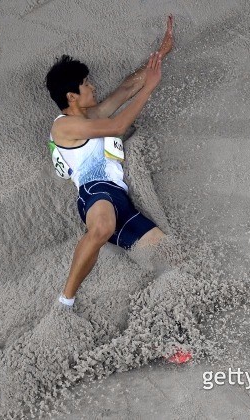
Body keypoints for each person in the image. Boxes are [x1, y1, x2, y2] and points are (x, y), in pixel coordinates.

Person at [45, 15, 174, 309]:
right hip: (96, 194)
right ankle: (65, 302)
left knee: (173, 259)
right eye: (86, 84)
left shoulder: (95, 115)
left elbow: (128, 87)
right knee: (102, 228)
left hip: (122, 203)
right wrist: (151, 88)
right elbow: (116, 127)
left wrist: (161, 54)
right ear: (72, 96)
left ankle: (170, 332)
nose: (93, 87)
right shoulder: (63, 127)